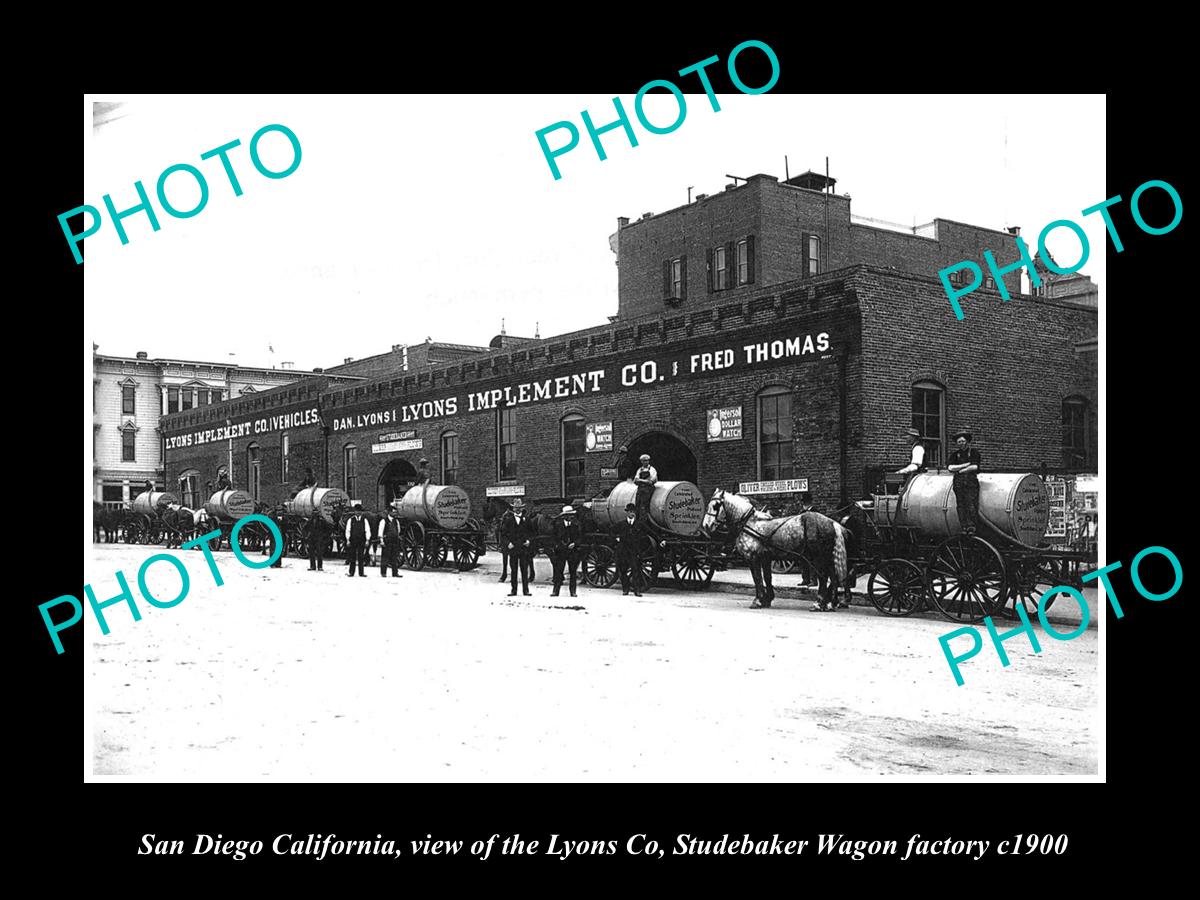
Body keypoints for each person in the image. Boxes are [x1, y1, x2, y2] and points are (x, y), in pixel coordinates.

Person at [947, 429, 982, 535]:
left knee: (971, 504)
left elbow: (975, 466)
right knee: (960, 505)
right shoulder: (955, 455)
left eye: (962, 441)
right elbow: (950, 467)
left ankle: (972, 527)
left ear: (967, 442)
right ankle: (964, 527)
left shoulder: (974, 452)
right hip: (958, 483)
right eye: (959, 442)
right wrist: (965, 465)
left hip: (970, 483)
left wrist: (961, 470)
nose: (961, 443)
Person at [500, 498, 535, 596]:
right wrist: (508, 543)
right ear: (513, 509)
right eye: (516, 508)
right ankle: (513, 590)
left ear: (522, 508)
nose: (518, 509)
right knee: (514, 570)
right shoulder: (508, 520)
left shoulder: (527, 519)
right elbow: (503, 534)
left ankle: (526, 590)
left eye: (519, 508)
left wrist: (529, 541)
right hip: (513, 548)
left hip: (524, 548)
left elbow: (532, 533)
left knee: (524, 570)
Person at [551, 504, 583, 598]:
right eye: (568, 515)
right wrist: (559, 545)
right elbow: (554, 538)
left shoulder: (575, 526)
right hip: (561, 552)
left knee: (573, 572)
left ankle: (573, 591)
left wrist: (575, 544)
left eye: (571, 515)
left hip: (572, 552)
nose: (570, 517)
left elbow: (580, 538)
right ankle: (556, 591)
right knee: (558, 571)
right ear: (564, 516)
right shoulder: (558, 526)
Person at [614, 502, 645, 597]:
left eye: (634, 512)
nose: (632, 513)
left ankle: (637, 590)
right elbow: (610, 531)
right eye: (630, 512)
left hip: (634, 552)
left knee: (636, 571)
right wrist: (616, 539)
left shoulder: (639, 524)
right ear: (627, 513)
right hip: (623, 551)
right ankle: (625, 589)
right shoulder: (621, 524)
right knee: (623, 571)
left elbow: (650, 532)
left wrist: (660, 540)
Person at [895, 427, 926, 497]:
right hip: (917, 475)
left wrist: (901, 471)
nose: (906, 438)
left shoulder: (918, 448)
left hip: (919, 476)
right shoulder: (915, 447)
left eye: (908, 435)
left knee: (904, 494)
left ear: (914, 437)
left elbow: (915, 466)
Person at [344, 502, 371, 577]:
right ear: (354, 512)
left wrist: (367, 540)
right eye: (357, 511)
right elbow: (348, 530)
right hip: (353, 540)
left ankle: (361, 573)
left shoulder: (364, 520)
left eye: (359, 511)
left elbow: (367, 530)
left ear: (361, 512)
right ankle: (351, 572)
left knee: (361, 557)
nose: (358, 513)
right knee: (352, 556)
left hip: (361, 540)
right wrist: (348, 540)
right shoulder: (351, 520)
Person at [378, 503, 404, 578]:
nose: (394, 513)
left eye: (395, 512)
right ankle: (383, 573)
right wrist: (381, 541)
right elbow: (380, 532)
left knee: (394, 558)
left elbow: (398, 531)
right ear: (389, 513)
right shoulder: (384, 521)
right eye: (393, 512)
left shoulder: (396, 521)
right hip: (387, 541)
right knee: (385, 557)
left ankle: (395, 573)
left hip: (394, 541)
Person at [633, 454, 658, 522]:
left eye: (646, 461)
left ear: (648, 461)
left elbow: (651, 481)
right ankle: (637, 522)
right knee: (637, 505)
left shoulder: (652, 469)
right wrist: (642, 481)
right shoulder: (639, 470)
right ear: (641, 461)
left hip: (648, 489)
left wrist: (640, 480)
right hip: (640, 489)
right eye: (643, 461)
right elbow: (635, 480)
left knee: (644, 506)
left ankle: (644, 522)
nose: (645, 462)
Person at [265, 504, 286, 568]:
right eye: (279, 511)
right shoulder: (272, 517)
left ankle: (278, 563)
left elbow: (286, 526)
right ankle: (273, 563)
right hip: (274, 535)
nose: (280, 512)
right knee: (273, 549)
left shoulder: (283, 518)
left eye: (281, 511)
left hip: (280, 535)